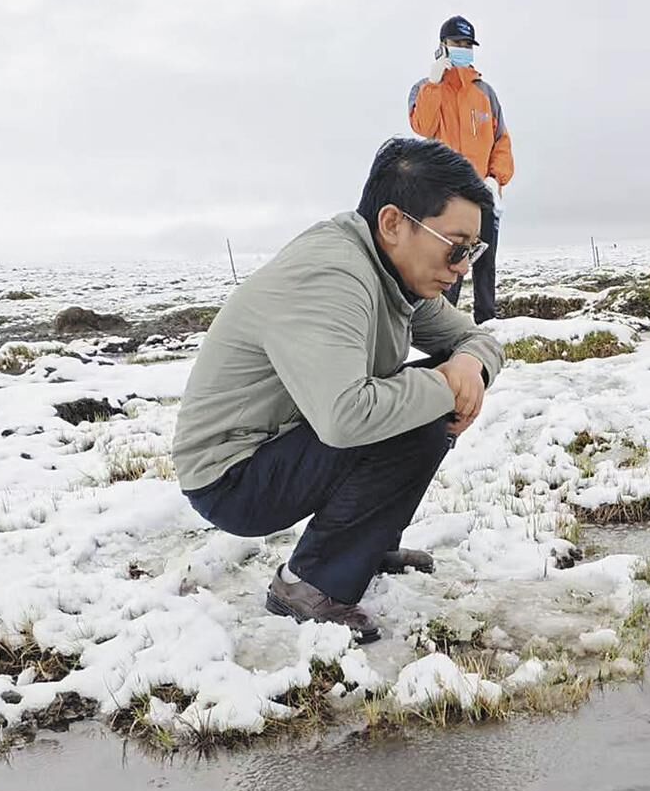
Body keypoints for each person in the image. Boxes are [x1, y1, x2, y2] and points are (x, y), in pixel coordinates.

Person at [171, 137, 503, 645]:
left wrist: (467, 365)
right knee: (419, 411)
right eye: (456, 247)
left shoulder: (395, 273)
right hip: (232, 476)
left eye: (474, 251)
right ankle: (308, 585)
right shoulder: (335, 273)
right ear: (394, 223)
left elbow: (475, 338)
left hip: (287, 441)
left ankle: (362, 546)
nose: (463, 266)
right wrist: (444, 384)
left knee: (423, 401)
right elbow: (345, 418)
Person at [408, 14, 514, 323]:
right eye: (457, 43)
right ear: (442, 46)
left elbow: (501, 141)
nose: (463, 48)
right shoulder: (425, 88)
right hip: (445, 197)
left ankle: (487, 326)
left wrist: (496, 180)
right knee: (448, 263)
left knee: (485, 265)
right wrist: (434, 83)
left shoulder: (485, 93)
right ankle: (440, 327)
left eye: (468, 44)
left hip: (483, 194)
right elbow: (422, 127)